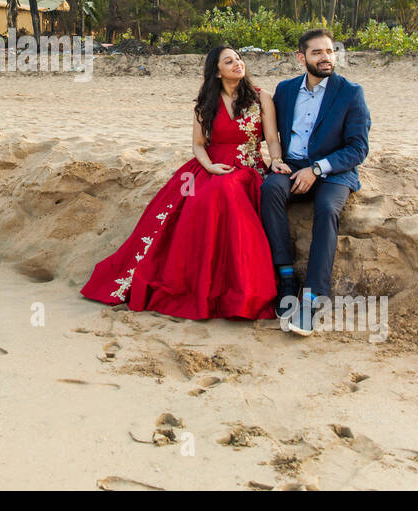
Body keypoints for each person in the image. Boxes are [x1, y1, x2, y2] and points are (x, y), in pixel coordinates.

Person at [81, 46, 281, 320]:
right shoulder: (205, 104)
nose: (238, 63)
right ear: (217, 71)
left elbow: (271, 139)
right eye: (229, 61)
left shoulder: (262, 98)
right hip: (210, 165)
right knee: (189, 202)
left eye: (238, 59)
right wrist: (208, 165)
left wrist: (278, 159)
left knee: (223, 192)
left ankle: (238, 293)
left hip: (248, 168)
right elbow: (198, 145)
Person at [260, 29, 371, 336]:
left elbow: (358, 148)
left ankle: (311, 300)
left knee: (326, 209)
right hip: (293, 165)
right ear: (301, 57)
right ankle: (285, 278)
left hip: (334, 172)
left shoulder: (350, 92)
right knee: (269, 189)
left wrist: (318, 170)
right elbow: (259, 119)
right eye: (318, 52)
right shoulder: (284, 90)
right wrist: (277, 159)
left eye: (330, 51)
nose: (326, 57)